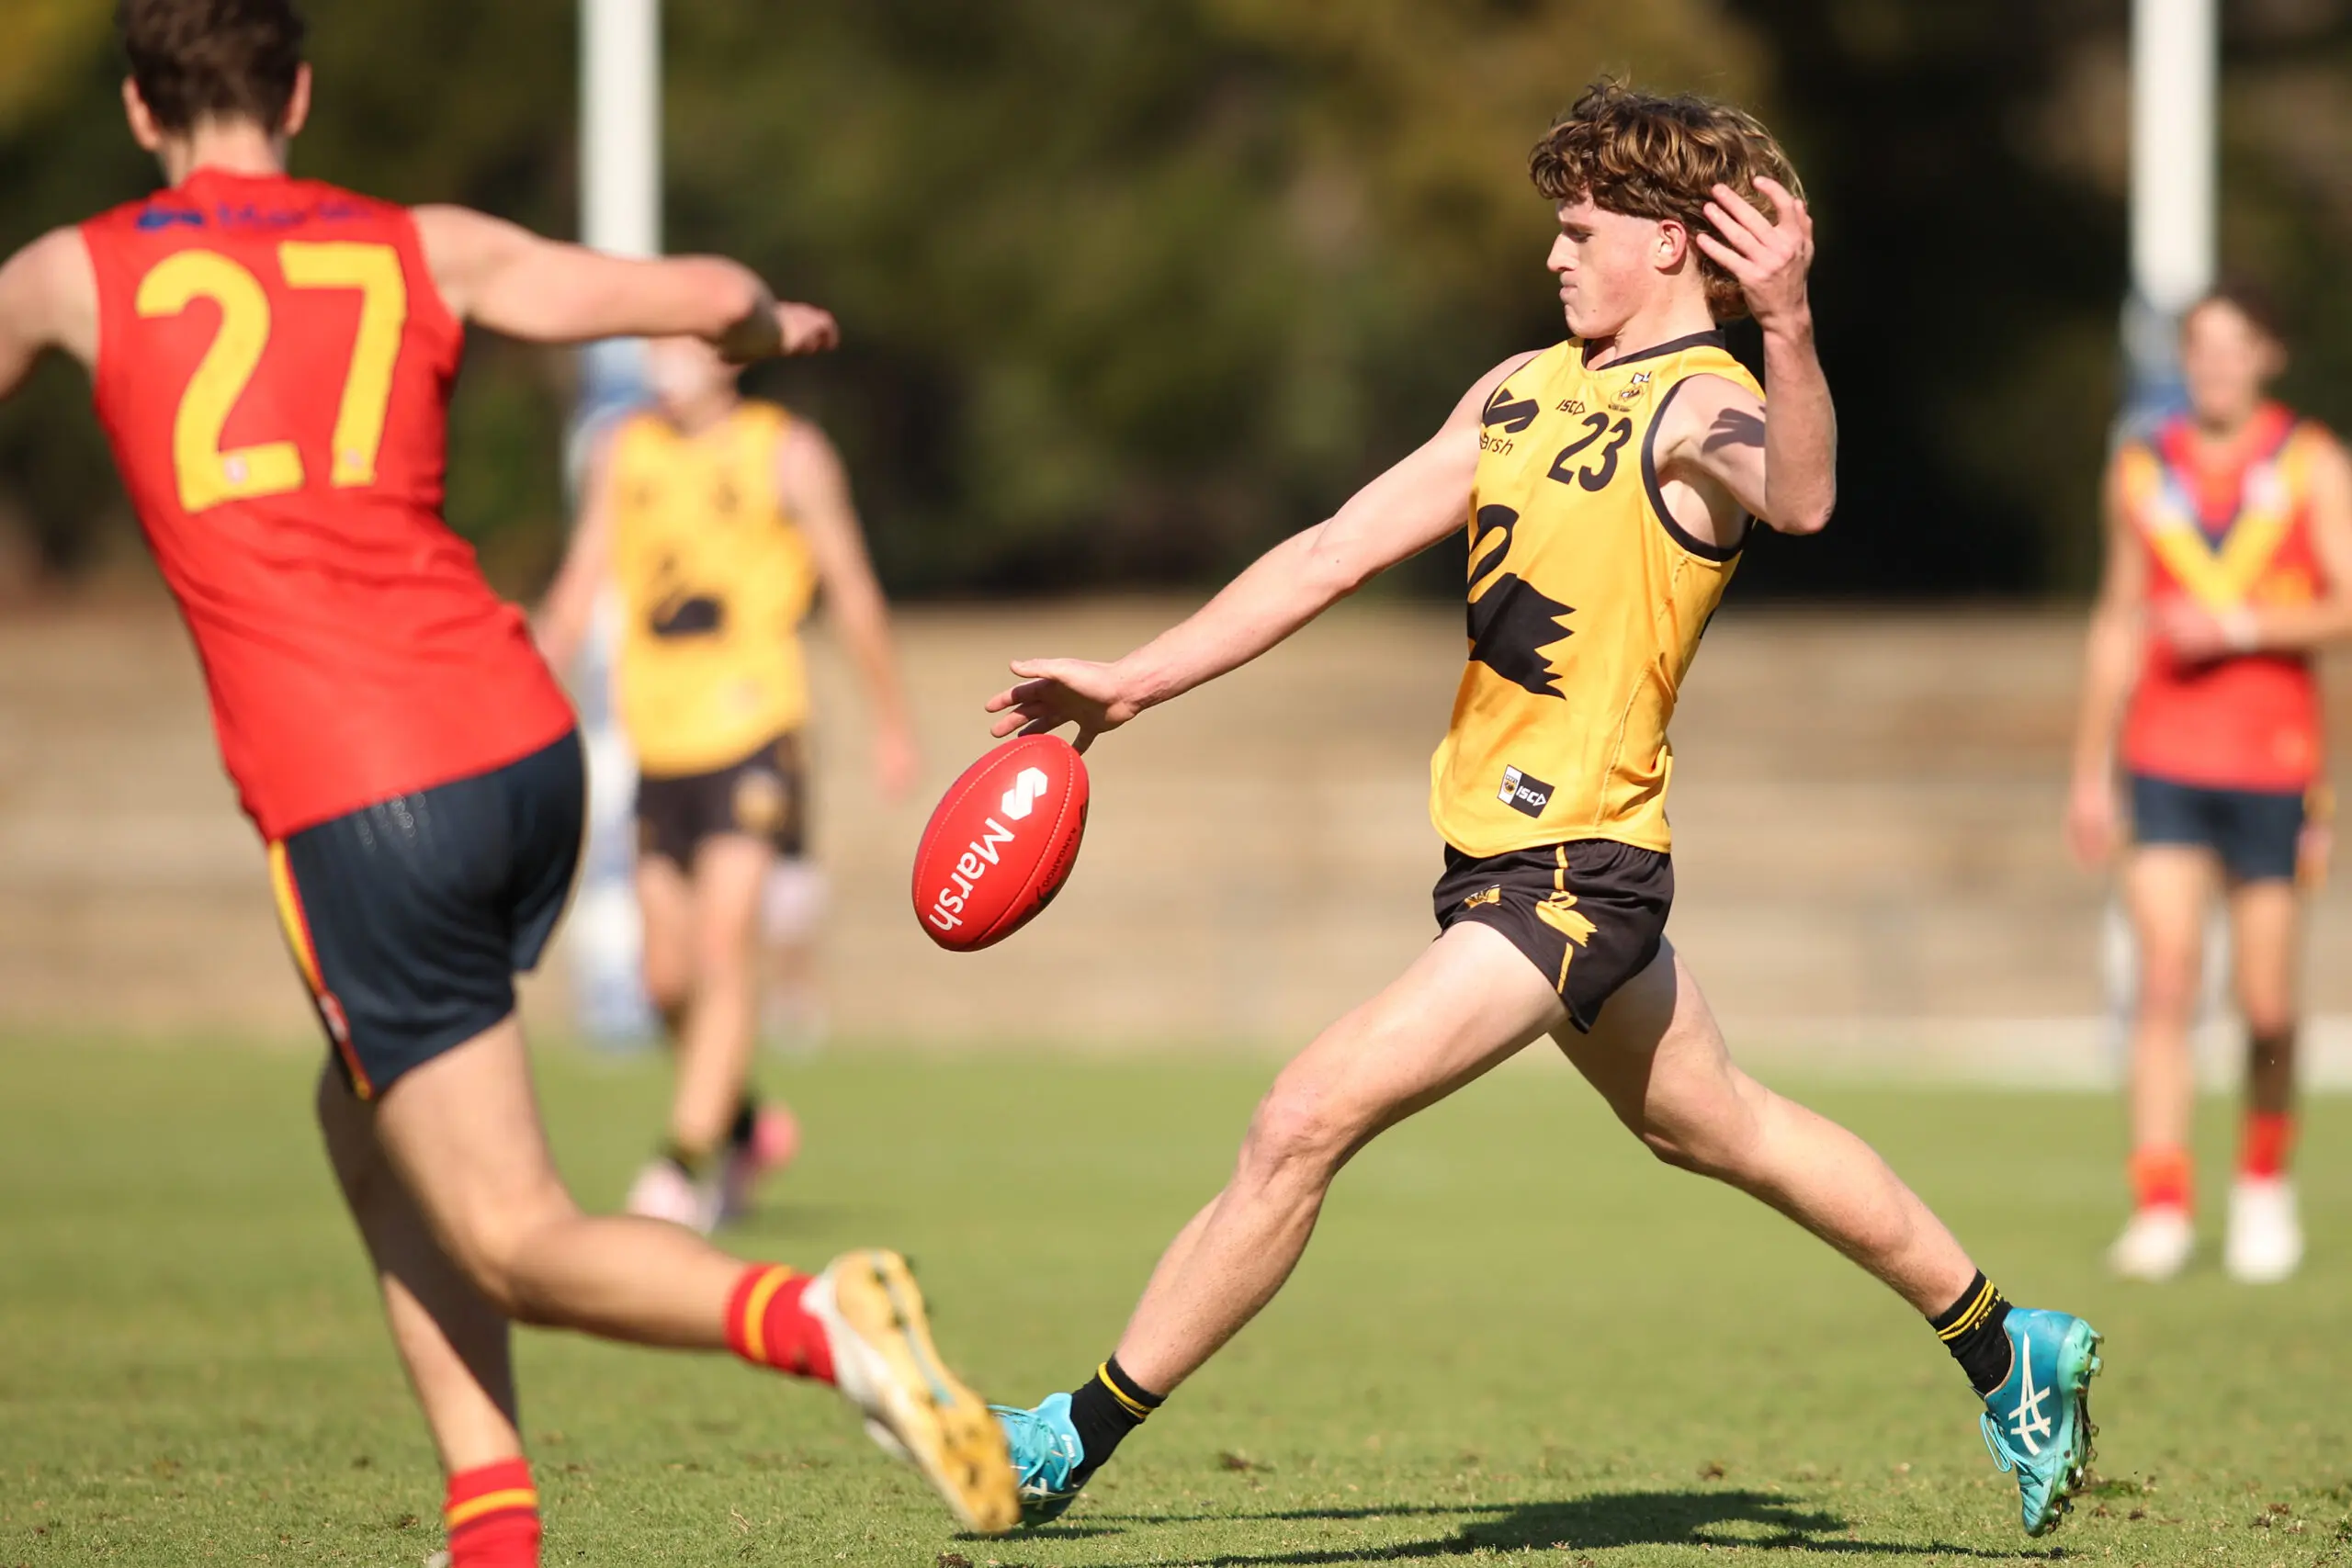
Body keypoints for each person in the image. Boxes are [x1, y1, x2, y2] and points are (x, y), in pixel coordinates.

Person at [980, 81, 2102, 1539]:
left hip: (1576, 871)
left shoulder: (1710, 406)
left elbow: (1806, 501)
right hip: (1500, 855)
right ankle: (2012, 1348)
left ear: (1673, 244)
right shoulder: (1519, 386)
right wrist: (1132, 684)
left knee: (1301, 1115)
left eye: (1583, 230)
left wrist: (1794, 325)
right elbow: (1330, 548)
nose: (1557, 254)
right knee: (1720, 1123)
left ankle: (1067, 1434)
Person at [0, 1, 1015, 1559]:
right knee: (368, 1120)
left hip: (361, 790)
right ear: (302, 94)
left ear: (140, 113)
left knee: (513, 1231)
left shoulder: (76, 269)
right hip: (524, 746)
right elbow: (706, 292)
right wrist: (762, 330)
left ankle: (822, 1317)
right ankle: (492, 1519)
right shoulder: (421, 244)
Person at [537, 337, 916, 1233]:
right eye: (656, 336)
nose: (666, 356)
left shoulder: (787, 452)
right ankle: (741, 1124)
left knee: (723, 944)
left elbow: (852, 589)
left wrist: (891, 722)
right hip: (658, 740)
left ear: (732, 353)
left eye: (686, 337)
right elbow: (583, 578)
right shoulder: (620, 449)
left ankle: (682, 1162)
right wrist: (523, 677)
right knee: (663, 978)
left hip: (755, 727)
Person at [2068, 286, 2352, 1283]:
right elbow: (2117, 617)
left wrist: (2239, 628)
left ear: (2268, 356)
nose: (2216, 366)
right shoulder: (2143, 467)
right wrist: (2088, 771)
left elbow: (2343, 605)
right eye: (2200, 350)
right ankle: (2160, 1202)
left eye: (2234, 348)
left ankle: (2264, 1185)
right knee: (2165, 981)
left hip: (2274, 765)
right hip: (2163, 757)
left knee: (2267, 1003)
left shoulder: (2312, 464)